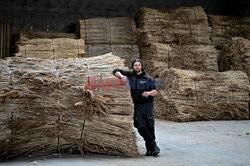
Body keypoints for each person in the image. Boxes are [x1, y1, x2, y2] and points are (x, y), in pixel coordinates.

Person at [112, 58, 160, 156]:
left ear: (141, 66)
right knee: (139, 125)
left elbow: (155, 91)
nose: (137, 66)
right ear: (133, 66)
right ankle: (153, 145)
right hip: (137, 105)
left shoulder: (148, 78)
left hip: (148, 105)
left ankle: (151, 149)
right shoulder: (130, 75)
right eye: (135, 65)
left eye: (138, 65)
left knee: (150, 126)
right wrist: (122, 76)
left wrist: (148, 93)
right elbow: (115, 70)